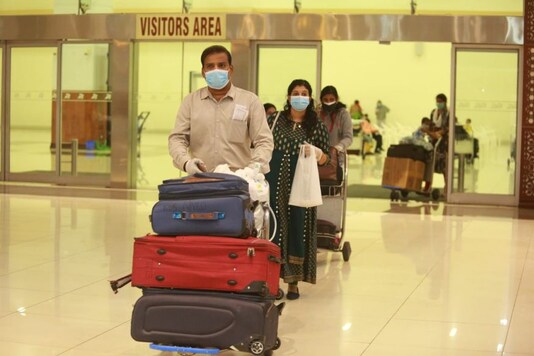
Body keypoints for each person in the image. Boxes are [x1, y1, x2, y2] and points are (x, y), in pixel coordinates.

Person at [265, 79, 330, 300]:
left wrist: (319, 154)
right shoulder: (274, 120)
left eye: (304, 93)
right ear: (288, 97)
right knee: (274, 228)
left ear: (310, 98)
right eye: (295, 92)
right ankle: (271, 282)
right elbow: (261, 145)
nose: (299, 96)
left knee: (297, 227)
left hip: (301, 187)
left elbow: (326, 160)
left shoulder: (316, 125)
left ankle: (293, 282)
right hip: (274, 184)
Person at [168, 45, 274, 174]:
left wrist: (253, 169)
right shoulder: (190, 102)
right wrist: (186, 163)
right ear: (203, 72)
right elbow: (177, 139)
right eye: (210, 66)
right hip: (201, 179)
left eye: (222, 65)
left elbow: (264, 141)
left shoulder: (250, 101)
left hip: (239, 181)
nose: (216, 70)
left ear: (230, 69)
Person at [317, 85, 353, 152]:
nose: (328, 103)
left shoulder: (343, 114)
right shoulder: (317, 114)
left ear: (337, 99)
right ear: (321, 100)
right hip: (319, 155)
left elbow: (348, 137)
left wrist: (339, 147)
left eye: (331, 99)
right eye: (325, 100)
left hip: (338, 155)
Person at [428, 93, 450, 196]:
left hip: (443, 141)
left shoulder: (449, 113)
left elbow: (448, 127)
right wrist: (430, 132)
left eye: (440, 102)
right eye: (437, 101)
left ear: (445, 102)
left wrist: (440, 133)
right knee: (430, 163)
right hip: (433, 139)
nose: (438, 104)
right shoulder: (433, 112)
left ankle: (447, 189)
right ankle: (428, 185)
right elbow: (430, 124)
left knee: (444, 166)